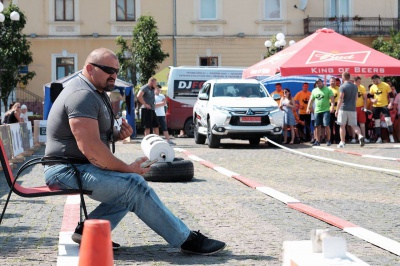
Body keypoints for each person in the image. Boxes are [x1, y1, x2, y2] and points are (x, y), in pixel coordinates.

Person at [44, 48, 226, 255]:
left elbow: (92, 139)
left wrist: (116, 135)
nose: (114, 75)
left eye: (116, 70)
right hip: (64, 170)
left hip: (77, 165)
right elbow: (91, 148)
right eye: (107, 70)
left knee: (131, 183)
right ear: (89, 69)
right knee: (133, 185)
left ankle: (89, 231)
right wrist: (127, 168)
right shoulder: (81, 94)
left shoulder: (95, 91)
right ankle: (186, 239)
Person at [335, 72, 365, 148]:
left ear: (343, 77)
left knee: (342, 125)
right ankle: (360, 135)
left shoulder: (342, 86)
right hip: (352, 108)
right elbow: (356, 98)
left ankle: (342, 142)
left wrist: (337, 110)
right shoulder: (355, 87)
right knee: (354, 125)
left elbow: (341, 98)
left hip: (344, 108)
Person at [307, 79, 335, 146]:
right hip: (317, 111)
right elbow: (311, 100)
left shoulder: (328, 90)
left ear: (322, 83)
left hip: (326, 110)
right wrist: (308, 108)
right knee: (317, 126)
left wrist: (332, 106)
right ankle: (317, 140)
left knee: (326, 125)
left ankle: (328, 140)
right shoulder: (314, 90)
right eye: (317, 83)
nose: (318, 84)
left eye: (319, 83)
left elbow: (332, 99)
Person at [368, 74, 395, 143]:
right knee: (377, 122)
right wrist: (372, 100)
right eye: (373, 81)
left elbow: (391, 95)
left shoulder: (385, 85)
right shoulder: (372, 87)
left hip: (384, 105)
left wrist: (390, 103)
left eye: (374, 81)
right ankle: (379, 137)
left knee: (388, 120)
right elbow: (370, 96)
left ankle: (391, 136)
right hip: (376, 106)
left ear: (378, 79)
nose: (373, 82)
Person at [350, 76, 369, 143]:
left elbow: (365, 98)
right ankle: (353, 138)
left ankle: (363, 137)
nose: (359, 83)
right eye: (358, 82)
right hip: (353, 107)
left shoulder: (362, 87)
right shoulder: (351, 87)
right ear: (354, 81)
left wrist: (365, 107)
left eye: (360, 82)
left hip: (361, 107)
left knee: (362, 123)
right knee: (353, 123)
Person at [328, 77, 340, 144]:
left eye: (334, 81)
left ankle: (337, 139)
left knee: (337, 125)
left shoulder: (339, 89)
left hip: (337, 110)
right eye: (331, 81)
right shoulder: (327, 89)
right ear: (329, 82)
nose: (333, 82)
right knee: (330, 126)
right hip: (329, 110)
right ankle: (330, 139)